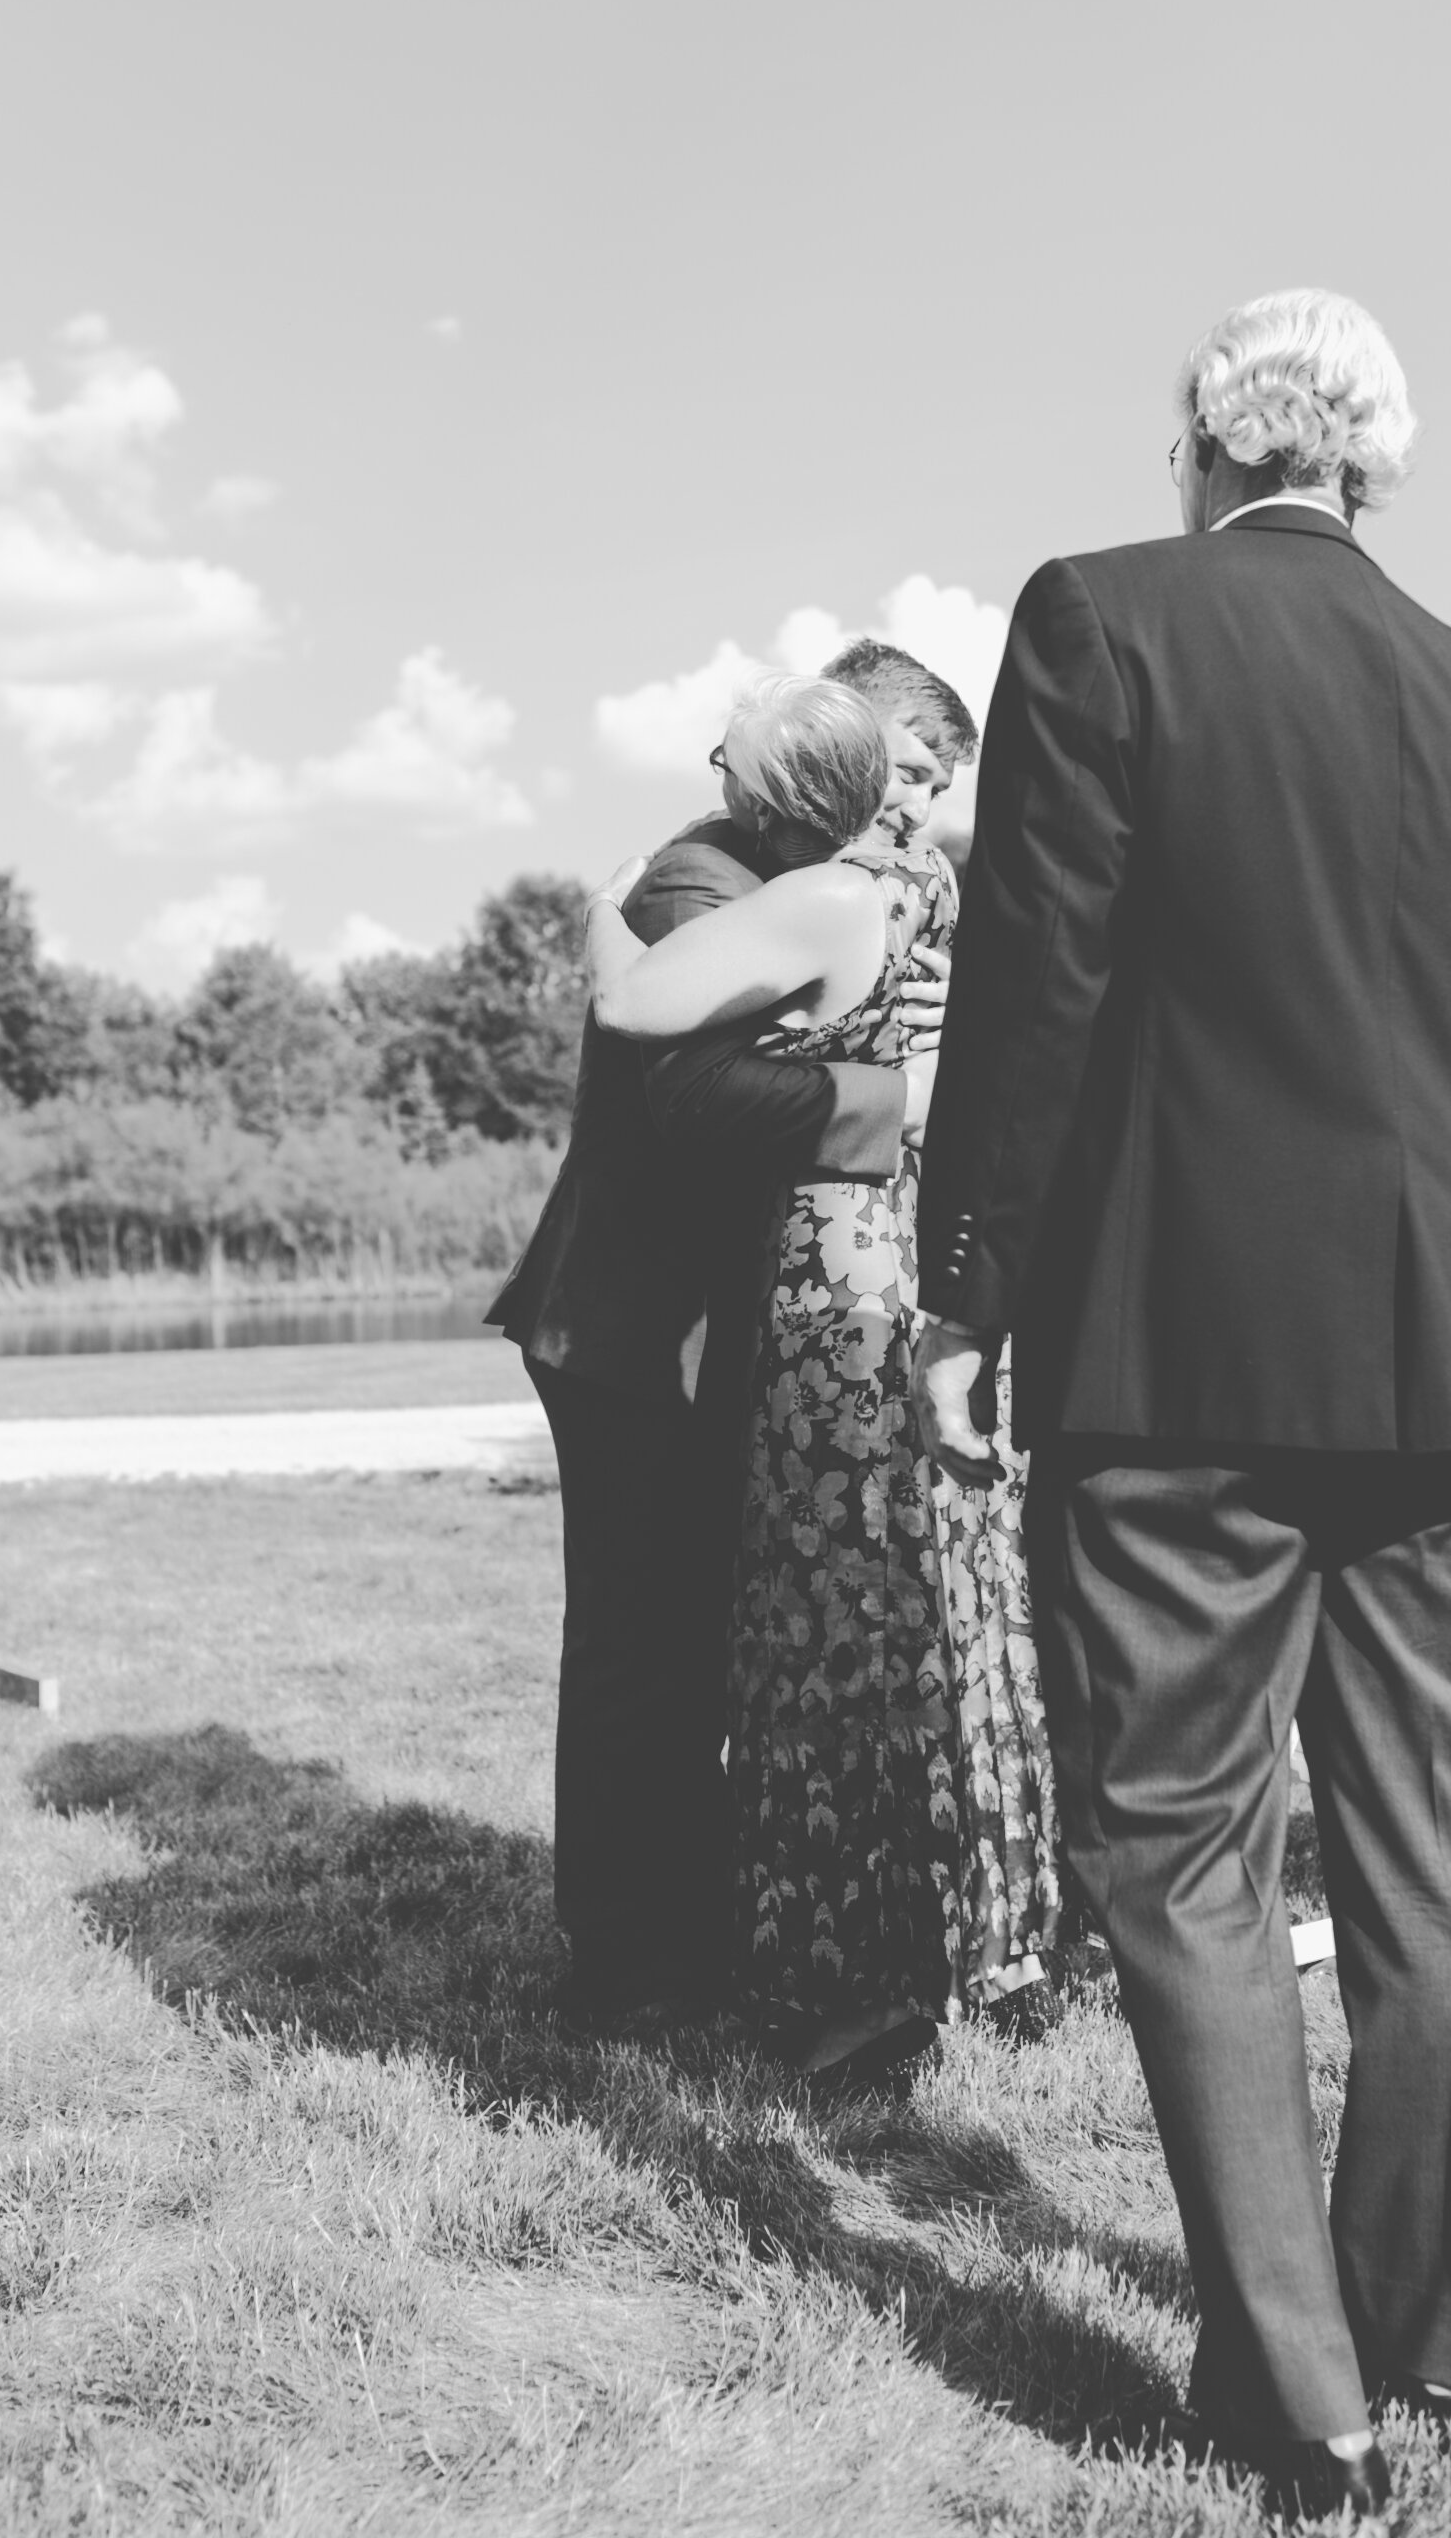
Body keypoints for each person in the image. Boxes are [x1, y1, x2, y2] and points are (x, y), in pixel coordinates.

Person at [912, 289, 1451, 2522]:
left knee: (1181, 1842)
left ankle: (1298, 2399)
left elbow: (1033, 988)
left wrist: (960, 1294)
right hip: (1431, 1358)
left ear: (1206, 441)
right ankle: (1435, 2338)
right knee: (1431, 1832)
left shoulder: (1103, 622)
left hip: (1178, 1351)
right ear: (1371, 462)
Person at [588, 672, 1061, 2090]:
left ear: (782, 796)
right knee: (939, 1593)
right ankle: (987, 1930)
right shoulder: (934, 888)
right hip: (917, 1256)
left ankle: (855, 1968)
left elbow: (635, 1011)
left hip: (833, 1279)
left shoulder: (816, 902)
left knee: (835, 1609)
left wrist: (594, 903)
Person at [489, 679, 941, 2019]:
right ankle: (626, 1962)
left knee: (703, 1633)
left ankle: (705, 1922)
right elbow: (695, 1099)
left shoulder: (816, 879)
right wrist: (894, 1099)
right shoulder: (696, 882)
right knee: (641, 1641)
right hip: (634, 1322)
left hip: (712, 1320)